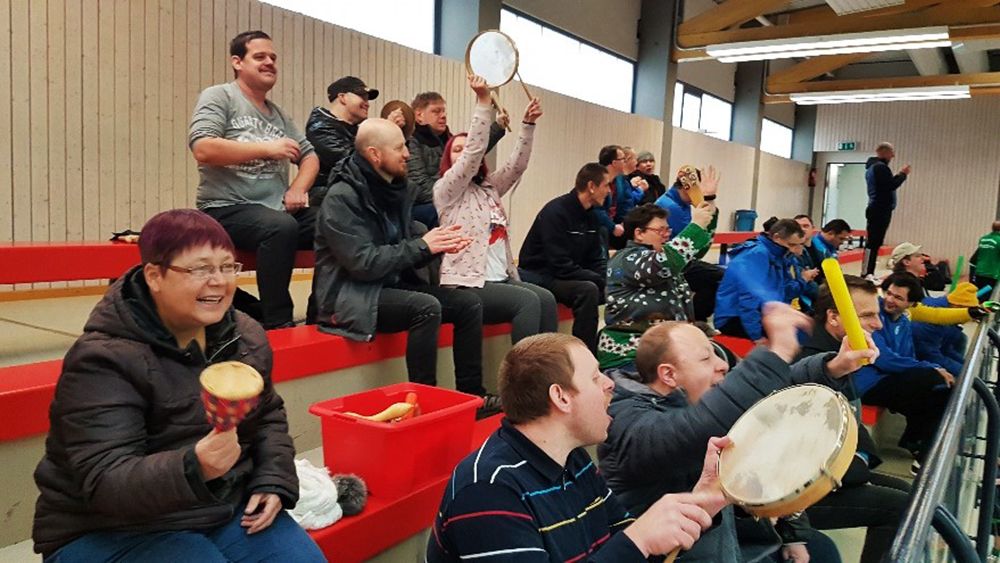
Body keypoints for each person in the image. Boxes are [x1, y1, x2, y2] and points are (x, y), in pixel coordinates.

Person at [32, 209, 325, 562]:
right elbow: (104, 479)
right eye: (200, 269)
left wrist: (272, 479)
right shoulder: (102, 359)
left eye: (228, 267)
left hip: (215, 505)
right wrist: (193, 466)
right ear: (155, 275)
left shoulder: (245, 335)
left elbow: (268, 416)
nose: (219, 281)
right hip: (107, 526)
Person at [426, 332, 729, 563]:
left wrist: (703, 500)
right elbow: (634, 546)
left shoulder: (575, 461)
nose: (610, 384)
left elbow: (633, 553)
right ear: (561, 397)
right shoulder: (487, 490)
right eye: (596, 377)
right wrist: (639, 539)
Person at [600, 304, 869, 563]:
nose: (722, 365)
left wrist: (834, 367)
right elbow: (696, 428)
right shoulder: (627, 422)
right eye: (706, 358)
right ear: (669, 375)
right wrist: (777, 351)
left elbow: (763, 397)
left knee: (825, 552)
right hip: (681, 553)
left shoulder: (700, 399)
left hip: (727, 538)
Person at [313, 117, 499, 415]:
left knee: (467, 303)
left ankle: (471, 397)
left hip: (386, 286)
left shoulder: (394, 189)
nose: (407, 155)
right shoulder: (341, 198)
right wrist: (423, 245)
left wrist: (436, 245)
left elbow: (404, 248)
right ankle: (424, 403)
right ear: (375, 154)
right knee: (425, 307)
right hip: (347, 297)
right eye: (399, 148)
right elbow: (363, 263)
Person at [190, 30, 319, 329]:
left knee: (333, 222)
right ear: (237, 62)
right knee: (280, 227)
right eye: (260, 57)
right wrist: (266, 148)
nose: (269, 62)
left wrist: (297, 188)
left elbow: (310, 156)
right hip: (226, 208)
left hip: (275, 208)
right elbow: (203, 148)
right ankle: (278, 322)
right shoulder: (219, 96)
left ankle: (321, 312)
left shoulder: (279, 115)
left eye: (273, 57)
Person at [433, 76, 557, 343]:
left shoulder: (488, 187)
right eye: (457, 150)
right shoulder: (446, 190)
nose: (465, 153)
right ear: (449, 159)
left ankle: (551, 368)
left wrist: (528, 125)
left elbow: (517, 166)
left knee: (546, 299)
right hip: (468, 283)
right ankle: (524, 377)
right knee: (528, 302)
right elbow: (473, 153)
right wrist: (483, 102)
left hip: (500, 278)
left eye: (465, 149)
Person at [798, 275, 911, 563]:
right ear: (834, 318)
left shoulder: (838, 354)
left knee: (911, 493)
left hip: (837, 468)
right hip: (803, 492)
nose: (879, 324)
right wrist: (859, 465)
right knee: (901, 507)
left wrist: (860, 460)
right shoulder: (814, 363)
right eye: (868, 315)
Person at [598, 202, 718, 372]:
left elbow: (695, 249)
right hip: (629, 356)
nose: (666, 235)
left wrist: (709, 203)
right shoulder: (626, 259)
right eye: (660, 230)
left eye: (667, 230)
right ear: (639, 233)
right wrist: (695, 225)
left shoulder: (660, 257)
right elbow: (665, 263)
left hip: (662, 352)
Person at [857, 272, 955, 463]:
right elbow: (882, 359)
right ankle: (920, 447)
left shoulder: (903, 322)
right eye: (889, 293)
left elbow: (906, 356)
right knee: (932, 380)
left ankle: (919, 446)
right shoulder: (873, 313)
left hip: (888, 379)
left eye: (898, 298)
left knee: (942, 390)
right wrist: (931, 367)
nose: (890, 300)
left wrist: (930, 368)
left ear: (911, 304)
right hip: (868, 383)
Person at [518, 163, 610, 354]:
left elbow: (596, 259)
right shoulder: (556, 212)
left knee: (608, 288)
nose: (608, 191)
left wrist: (607, 280)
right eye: (606, 185)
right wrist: (598, 279)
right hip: (540, 273)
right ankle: (583, 354)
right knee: (588, 290)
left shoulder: (592, 218)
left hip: (566, 273)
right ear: (592, 186)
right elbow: (559, 264)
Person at [407, 91, 508, 227]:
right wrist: (455, 196)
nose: (443, 116)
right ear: (419, 115)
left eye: (444, 111)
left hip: (449, 198)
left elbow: (473, 153)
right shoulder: (412, 142)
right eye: (436, 111)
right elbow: (420, 185)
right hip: (424, 206)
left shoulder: (448, 139)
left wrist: (498, 127)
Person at [304, 76, 406, 207]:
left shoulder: (354, 130)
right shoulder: (320, 128)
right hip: (332, 201)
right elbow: (354, 163)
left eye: (367, 98)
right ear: (342, 98)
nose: (367, 103)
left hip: (360, 195)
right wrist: (387, 131)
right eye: (362, 96)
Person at [715, 219, 810, 341]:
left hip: (759, 313)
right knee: (792, 338)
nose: (793, 249)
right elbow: (748, 299)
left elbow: (785, 291)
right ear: (776, 237)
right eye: (791, 244)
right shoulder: (757, 254)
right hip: (734, 316)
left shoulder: (781, 255)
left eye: (798, 244)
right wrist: (757, 336)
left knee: (805, 329)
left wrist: (802, 281)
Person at [654, 166, 725, 321]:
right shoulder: (672, 207)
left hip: (678, 262)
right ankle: (695, 319)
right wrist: (707, 202)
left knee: (718, 276)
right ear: (689, 188)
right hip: (672, 265)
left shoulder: (677, 203)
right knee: (721, 277)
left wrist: (708, 200)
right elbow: (696, 249)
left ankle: (696, 318)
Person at [863, 142, 911, 277]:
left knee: (875, 243)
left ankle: (868, 271)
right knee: (873, 243)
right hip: (879, 209)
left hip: (879, 209)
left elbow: (887, 185)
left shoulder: (875, 168)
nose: (893, 156)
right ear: (883, 152)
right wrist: (902, 174)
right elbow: (890, 185)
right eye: (891, 153)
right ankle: (867, 272)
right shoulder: (879, 167)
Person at [911, 282, 979, 377]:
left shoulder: (946, 314)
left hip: (930, 353)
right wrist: (965, 373)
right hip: (918, 360)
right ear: (957, 306)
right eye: (968, 312)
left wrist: (967, 366)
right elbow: (930, 356)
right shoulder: (931, 324)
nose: (970, 319)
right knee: (964, 377)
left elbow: (945, 348)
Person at [594, 145, 629, 250]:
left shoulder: (621, 180)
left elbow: (626, 202)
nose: (625, 162)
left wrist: (624, 222)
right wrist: (612, 226)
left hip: (615, 224)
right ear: (614, 163)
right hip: (599, 226)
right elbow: (596, 208)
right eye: (623, 159)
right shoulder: (596, 178)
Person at [972, 221, 1000, 292]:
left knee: (980, 293)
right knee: (989, 297)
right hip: (992, 272)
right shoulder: (999, 240)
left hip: (979, 270)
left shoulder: (983, 239)